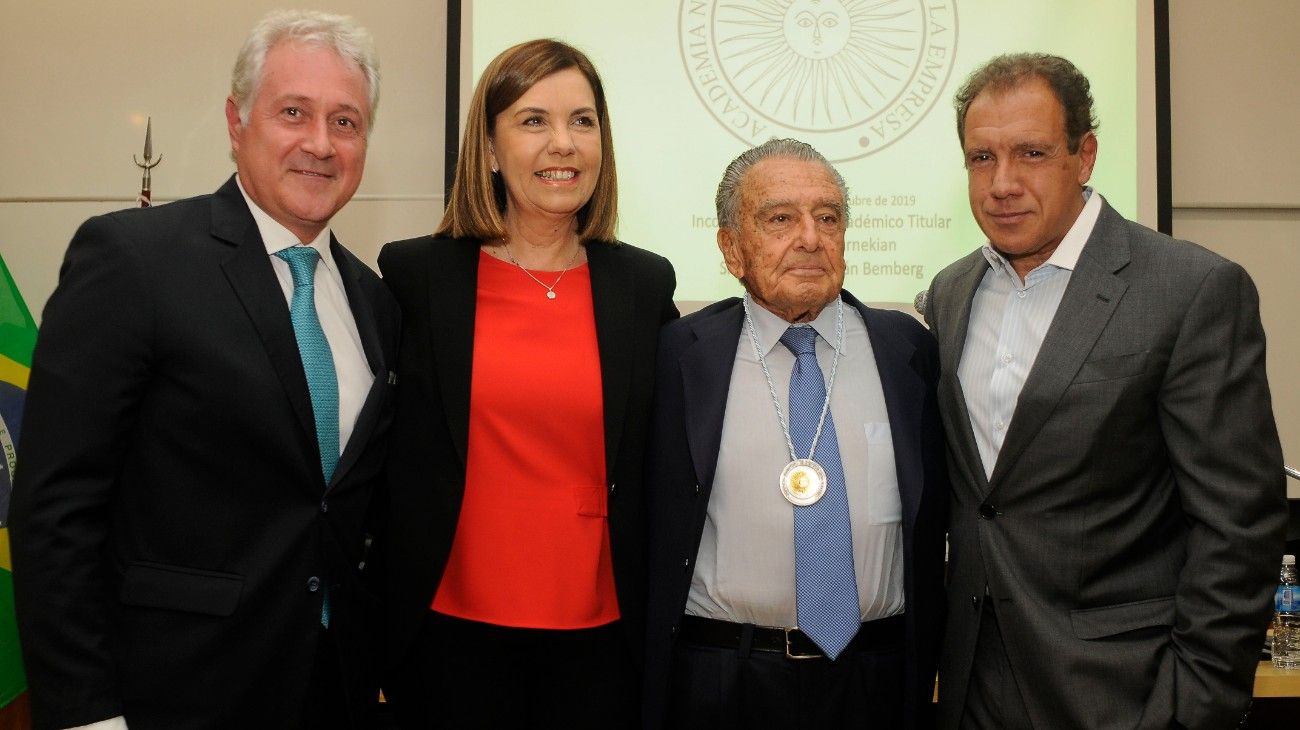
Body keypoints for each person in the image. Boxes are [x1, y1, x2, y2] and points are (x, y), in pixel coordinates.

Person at [9, 10, 398, 729]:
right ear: (236, 120)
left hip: (331, 693)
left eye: (346, 122)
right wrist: (83, 713)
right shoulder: (133, 260)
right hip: (170, 696)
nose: (320, 143)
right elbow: (55, 510)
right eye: (294, 113)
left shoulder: (373, 300)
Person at [923, 52, 1288, 729]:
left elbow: (1239, 526)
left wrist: (1192, 707)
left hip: (1125, 695)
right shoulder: (952, 292)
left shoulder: (1189, 290)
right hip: (974, 690)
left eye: (1031, 153)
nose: (1002, 183)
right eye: (981, 158)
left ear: (1083, 156)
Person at [374, 39, 677, 727]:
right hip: (447, 636)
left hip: (601, 642)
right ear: (488, 148)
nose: (563, 144)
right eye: (533, 120)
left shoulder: (643, 283)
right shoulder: (417, 277)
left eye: (583, 121)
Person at [644, 138, 948, 729]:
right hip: (723, 676)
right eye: (780, 218)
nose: (810, 237)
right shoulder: (680, 357)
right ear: (732, 248)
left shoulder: (909, 351)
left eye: (827, 217)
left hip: (877, 677)